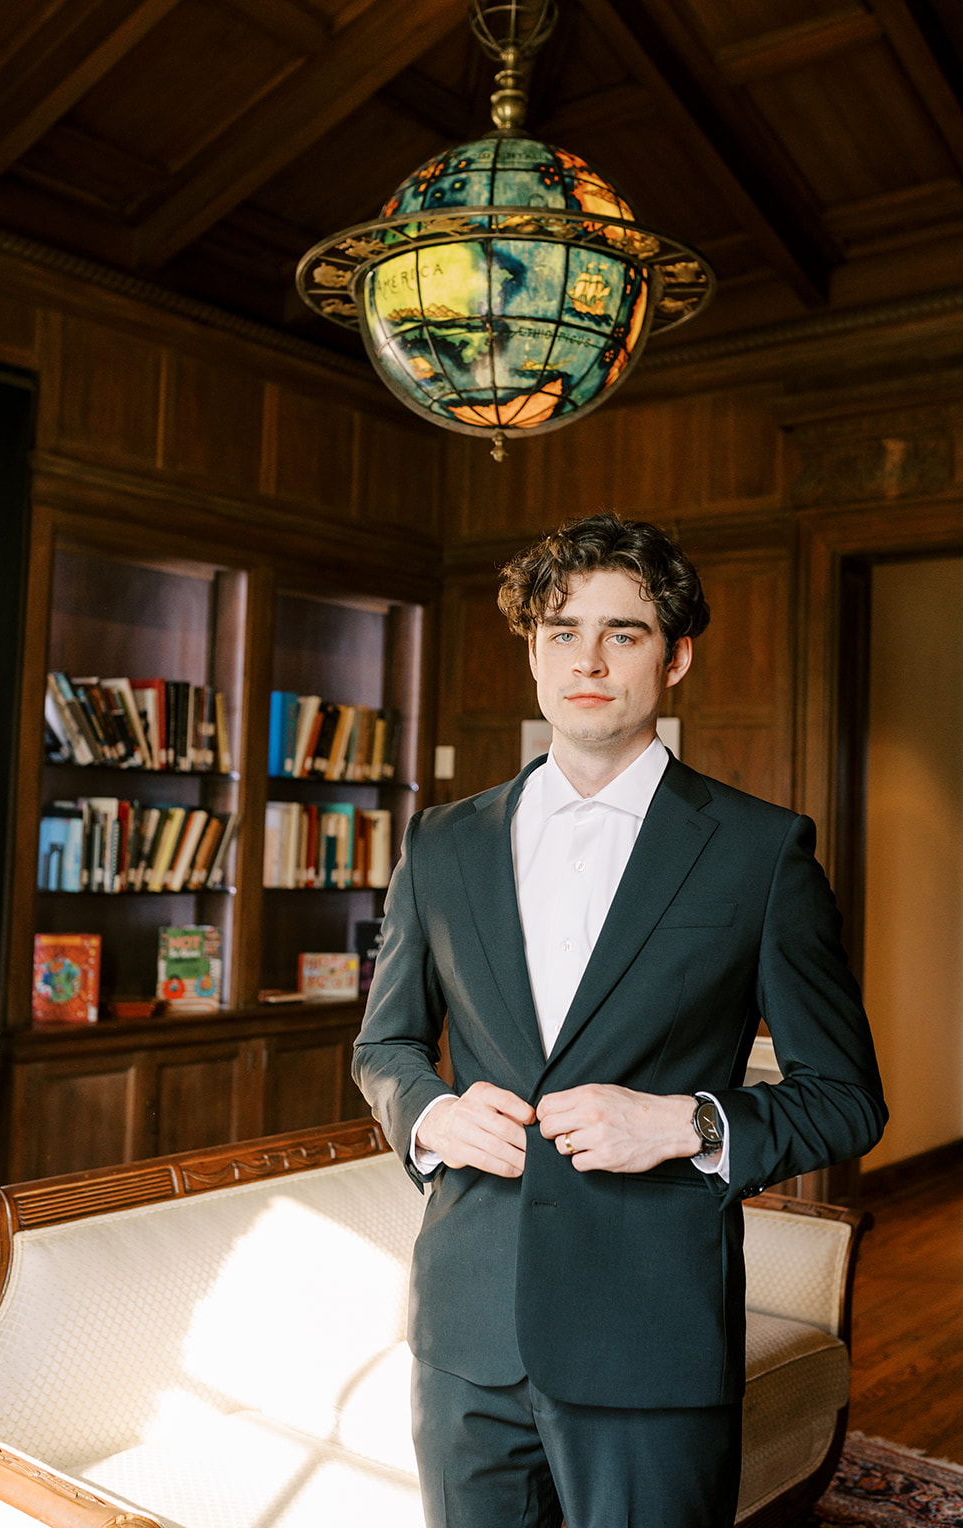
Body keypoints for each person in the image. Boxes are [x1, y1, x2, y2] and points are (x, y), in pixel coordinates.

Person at [353, 511, 886, 1528]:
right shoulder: (440, 843)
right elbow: (383, 1046)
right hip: (464, 1331)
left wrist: (683, 1122)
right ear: (531, 650)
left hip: (649, 1338)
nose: (585, 658)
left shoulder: (759, 852)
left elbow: (844, 1100)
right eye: (561, 630)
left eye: (622, 632)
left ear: (675, 657)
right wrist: (426, 1112)